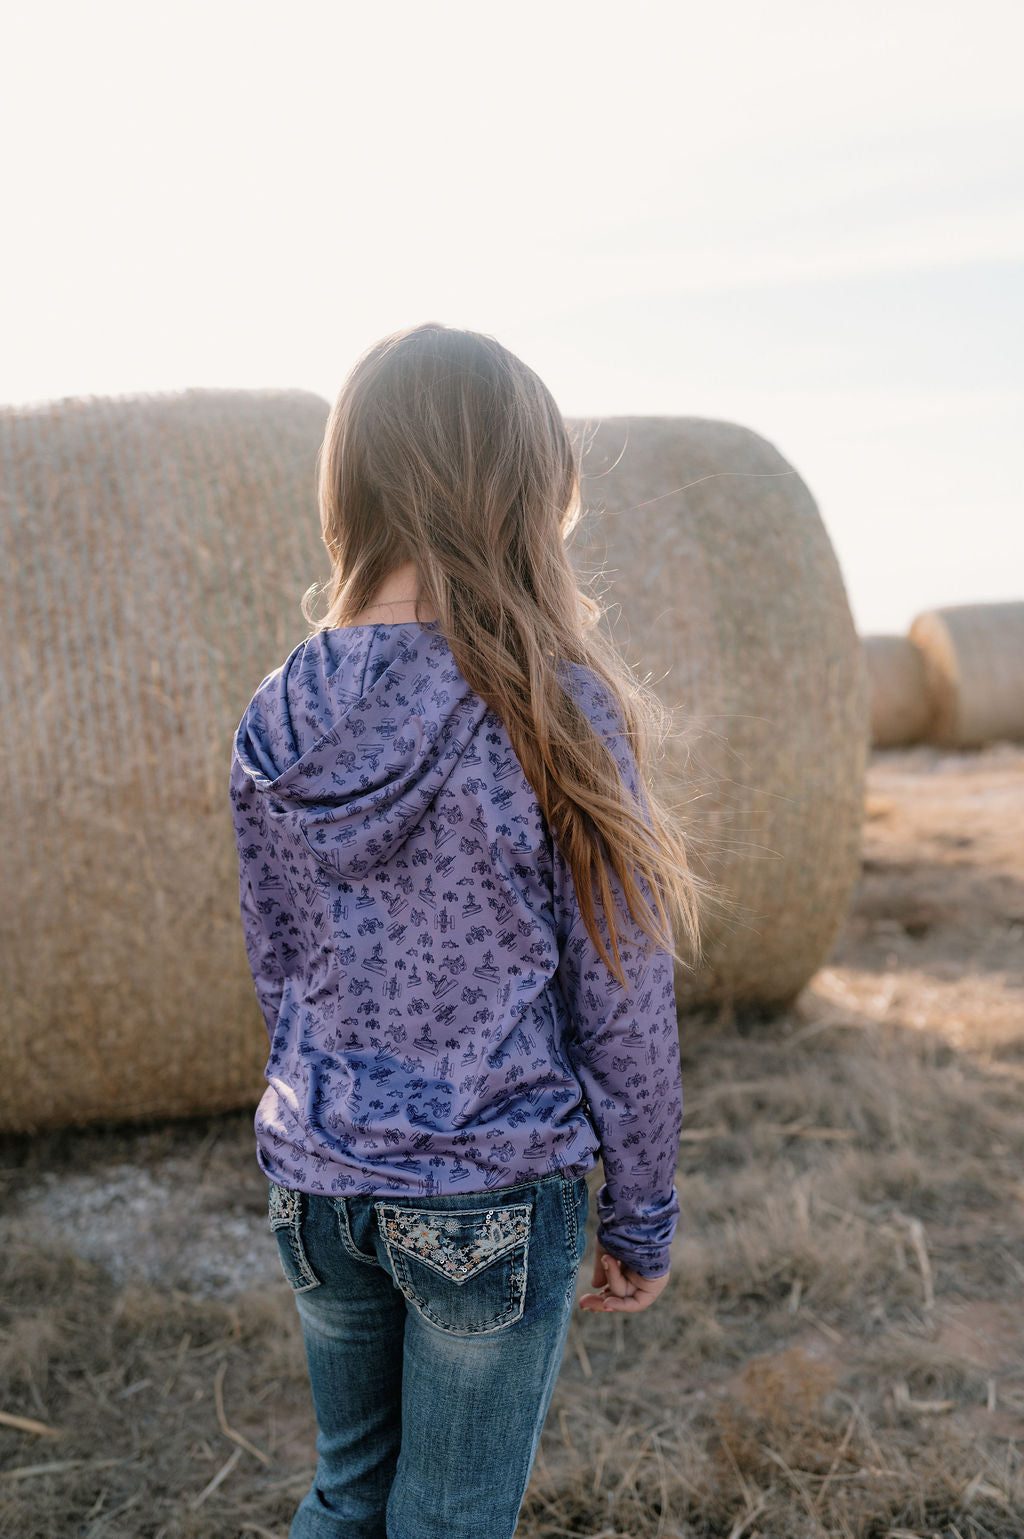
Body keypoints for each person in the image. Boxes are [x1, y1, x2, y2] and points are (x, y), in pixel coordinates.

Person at [228, 323, 705, 1539]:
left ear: (354, 485)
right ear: (527, 493)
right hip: (488, 1186)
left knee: (348, 1497)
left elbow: (280, 964)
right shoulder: (550, 702)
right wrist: (639, 1213)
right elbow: (619, 994)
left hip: (318, 1185)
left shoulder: (280, 709)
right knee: (446, 1522)